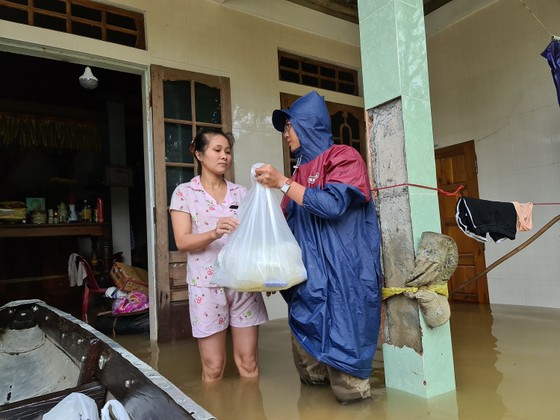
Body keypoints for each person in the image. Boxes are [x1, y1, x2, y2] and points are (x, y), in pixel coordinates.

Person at [254, 91, 382, 404]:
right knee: (311, 384)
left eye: (289, 127)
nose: (285, 135)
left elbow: (333, 206)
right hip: (307, 295)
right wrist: (274, 273)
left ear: (307, 124)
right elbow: (287, 233)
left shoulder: (344, 157)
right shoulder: (297, 174)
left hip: (343, 292)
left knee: (349, 390)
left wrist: (283, 182)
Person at [169, 128, 269, 382]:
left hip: (243, 284)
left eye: (227, 151)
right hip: (206, 286)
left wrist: (265, 275)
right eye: (217, 150)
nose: (224, 156)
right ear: (199, 154)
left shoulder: (241, 194)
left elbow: (253, 240)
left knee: (249, 363)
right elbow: (182, 241)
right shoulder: (184, 193)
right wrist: (214, 232)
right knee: (214, 367)